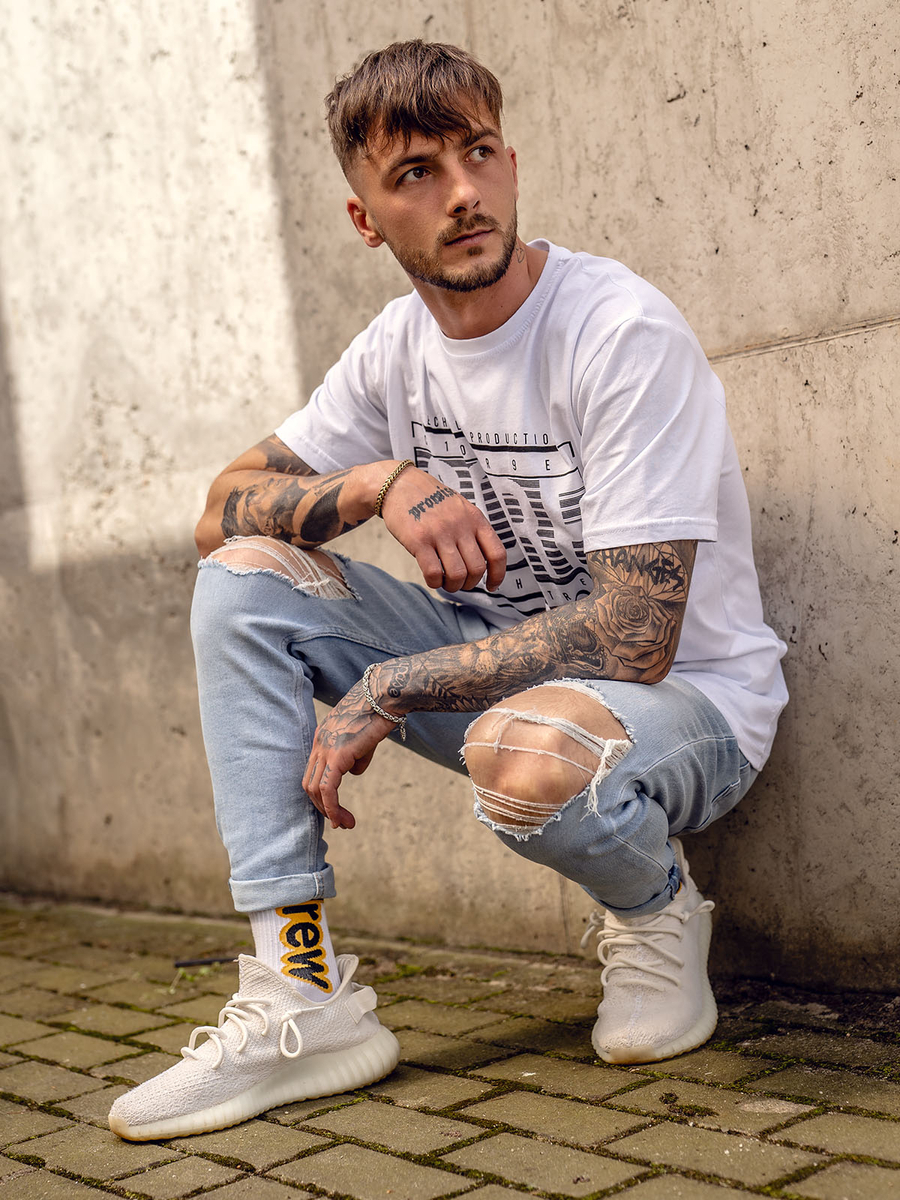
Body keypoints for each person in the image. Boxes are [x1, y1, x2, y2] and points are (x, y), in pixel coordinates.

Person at [109, 39, 787, 1142]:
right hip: (504, 684)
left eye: (478, 154)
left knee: (527, 753)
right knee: (244, 582)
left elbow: (636, 637)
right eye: (417, 172)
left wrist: (393, 684)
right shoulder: (395, 350)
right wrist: (374, 483)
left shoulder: (616, 330)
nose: (462, 192)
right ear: (366, 219)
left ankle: (656, 911)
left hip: (689, 705)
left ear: (510, 163)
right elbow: (217, 510)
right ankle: (300, 992)